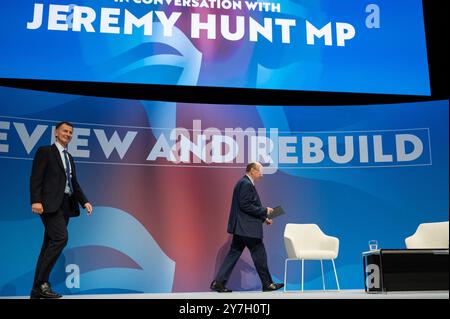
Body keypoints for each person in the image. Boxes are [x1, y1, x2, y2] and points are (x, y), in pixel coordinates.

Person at [29, 121, 93, 299]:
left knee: (47, 245)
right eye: (65, 131)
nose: (68, 134)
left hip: (66, 205)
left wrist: (84, 201)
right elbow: (36, 177)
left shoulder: (69, 157)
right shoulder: (45, 151)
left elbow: (74, 183)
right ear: (56, 133)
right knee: (60, 238)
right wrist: (36, 200)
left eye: (71, 132)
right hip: (49, 204)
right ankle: (42, 283)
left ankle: (37, 289)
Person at [210, 162, 284, 292]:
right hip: (248, 229)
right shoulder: (246, 184)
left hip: (242, 228)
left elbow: (246, 206)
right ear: (252, 170)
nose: (262, 175)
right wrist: (265, 211)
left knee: (233, 254)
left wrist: (263, 218)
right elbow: (245, 205)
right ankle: (267, 284)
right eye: (260, 171)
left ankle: (218, 282)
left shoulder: (243, 183)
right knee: (259, 255)